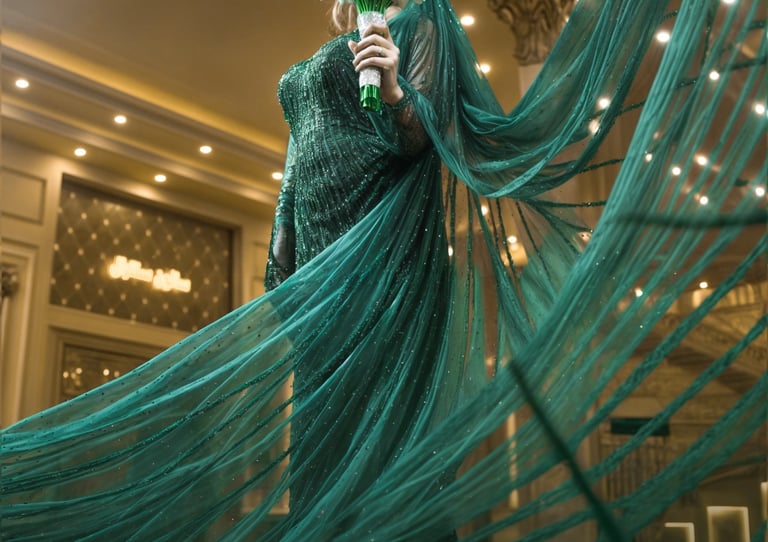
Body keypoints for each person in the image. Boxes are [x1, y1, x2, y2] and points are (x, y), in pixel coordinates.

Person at [1, 0, 765, 540]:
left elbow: (418, 137)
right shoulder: (341, 34)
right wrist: (282, 246)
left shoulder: (419, 19)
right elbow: (299, 153)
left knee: (378, 416)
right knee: (322, 426)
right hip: (316, 253)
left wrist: (396, 87)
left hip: (377, 254)